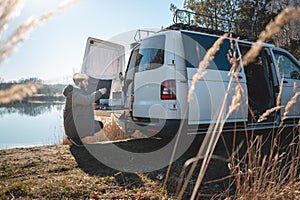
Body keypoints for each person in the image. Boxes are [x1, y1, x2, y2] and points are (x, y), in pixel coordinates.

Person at [63, 73, 106, 146]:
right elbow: (86, 100)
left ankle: (76, 138)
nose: (87, 84)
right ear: (79, 83)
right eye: (85, 82)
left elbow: (81, 105)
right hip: (72, 126)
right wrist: (99, 92)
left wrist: (91, 106)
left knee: (98, 125)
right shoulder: (73, 94)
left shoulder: (77, 93)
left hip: (74, 124)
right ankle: (73, 137)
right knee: (96, 125)